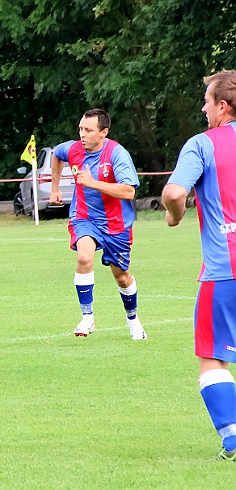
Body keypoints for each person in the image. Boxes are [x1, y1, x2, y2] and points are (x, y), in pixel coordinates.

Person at [162, 69, 236, 461]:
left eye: (207, 101)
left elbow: (175, 191)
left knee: (213, 357)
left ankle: (233, 437)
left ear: (222, 107)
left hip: (225, 270)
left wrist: (175, 215)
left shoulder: (201, 145)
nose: (203, 107)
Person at [50, 108, 147, 340]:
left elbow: (128, 192)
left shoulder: (117, 154)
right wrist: (54, 188)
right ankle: (87, 317)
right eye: (81, 129)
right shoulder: (73, 149)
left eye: (88, 130)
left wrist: (93, 183)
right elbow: (57, 154)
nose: (82, 134)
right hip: (84, 217)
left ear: (103, 132)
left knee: (122, 276)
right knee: (84, 257)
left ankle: (133, 319)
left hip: (116, 224)